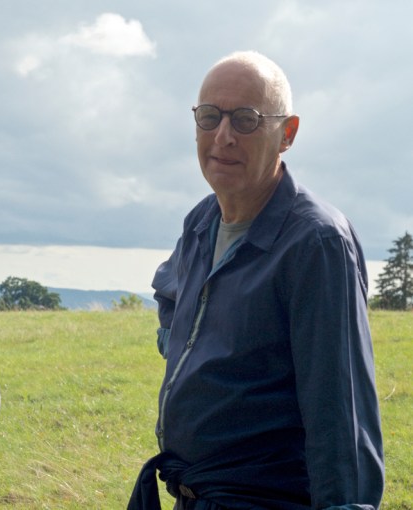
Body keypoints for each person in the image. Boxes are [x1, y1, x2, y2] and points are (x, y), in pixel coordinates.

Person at [133, 51, 384, 509]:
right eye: (209, 117)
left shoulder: (316, 242)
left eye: (245, 120)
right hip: (194, 496)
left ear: (287, 134)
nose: (222, 136)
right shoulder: (201, 222)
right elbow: (172, 297)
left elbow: (340, 407)